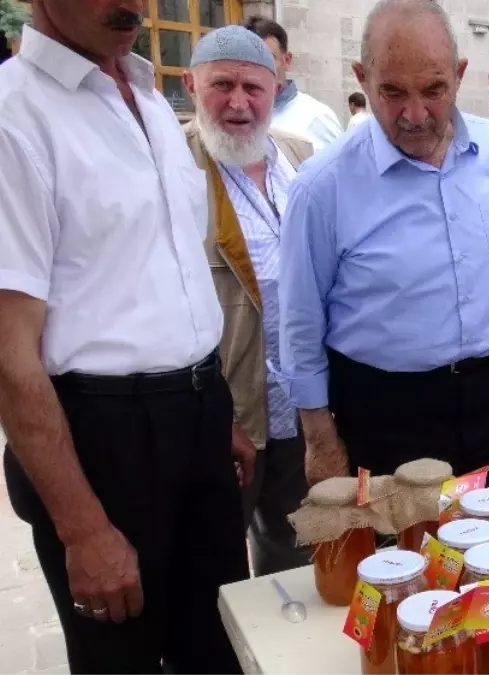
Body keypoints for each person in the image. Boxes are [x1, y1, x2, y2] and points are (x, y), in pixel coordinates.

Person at [0, 2, 251, 672]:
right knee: (123, 657)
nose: (135, 5)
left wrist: (212, 403)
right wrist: (81, 526)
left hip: (195, 416)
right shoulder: (14, 117)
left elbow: (166, 271)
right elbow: (8, 351)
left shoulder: (144, 95)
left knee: (221, 643)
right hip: (102, 436)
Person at [280, 0, 489, 489]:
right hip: (386, 417)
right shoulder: (322, 187)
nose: (414, 113)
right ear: (362, 78)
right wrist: (320, 439)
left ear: (460, 75)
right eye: (392, 92)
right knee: (403, 561)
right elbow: (300, 323)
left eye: (433, 90)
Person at [182, 26, 315, 576]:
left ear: (276, 87)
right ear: (191, 86)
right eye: (222, 85)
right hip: (227, 413)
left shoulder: (300, 158)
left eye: (253, 88)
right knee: (212, 569)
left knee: (298, 558)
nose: (238, 103)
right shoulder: (173, 165)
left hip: (303, 409)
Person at [244, 15, 343, 151]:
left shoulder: (317, 119)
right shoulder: (233, 118)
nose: (255, 68)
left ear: (287, 60)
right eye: (246, 60)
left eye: (266, 58)